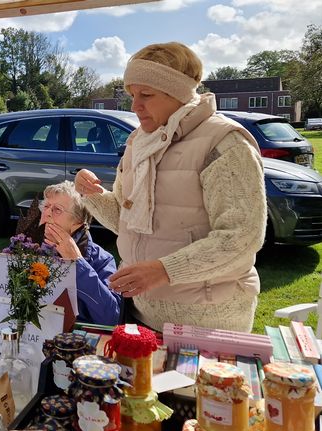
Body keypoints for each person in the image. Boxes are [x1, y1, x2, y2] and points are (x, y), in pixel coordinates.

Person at [75, 42, 265, 332]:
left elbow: (240, 238)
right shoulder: (138, 143)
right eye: (132, 95)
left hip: (209, 320)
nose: (135, 106)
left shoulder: (224, 144)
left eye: (146, 95)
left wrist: (164, 271)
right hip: (141, 311)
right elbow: (130, 223)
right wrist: (93, 195)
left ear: (177, 92)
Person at [16, 181, 121, 326]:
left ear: (77, 223)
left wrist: (77, 263)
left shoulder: (101, 260)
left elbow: (111, 318)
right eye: (46, 206)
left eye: (57, 209)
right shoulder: (25, 249)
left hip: (75, 341)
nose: (47, 213)